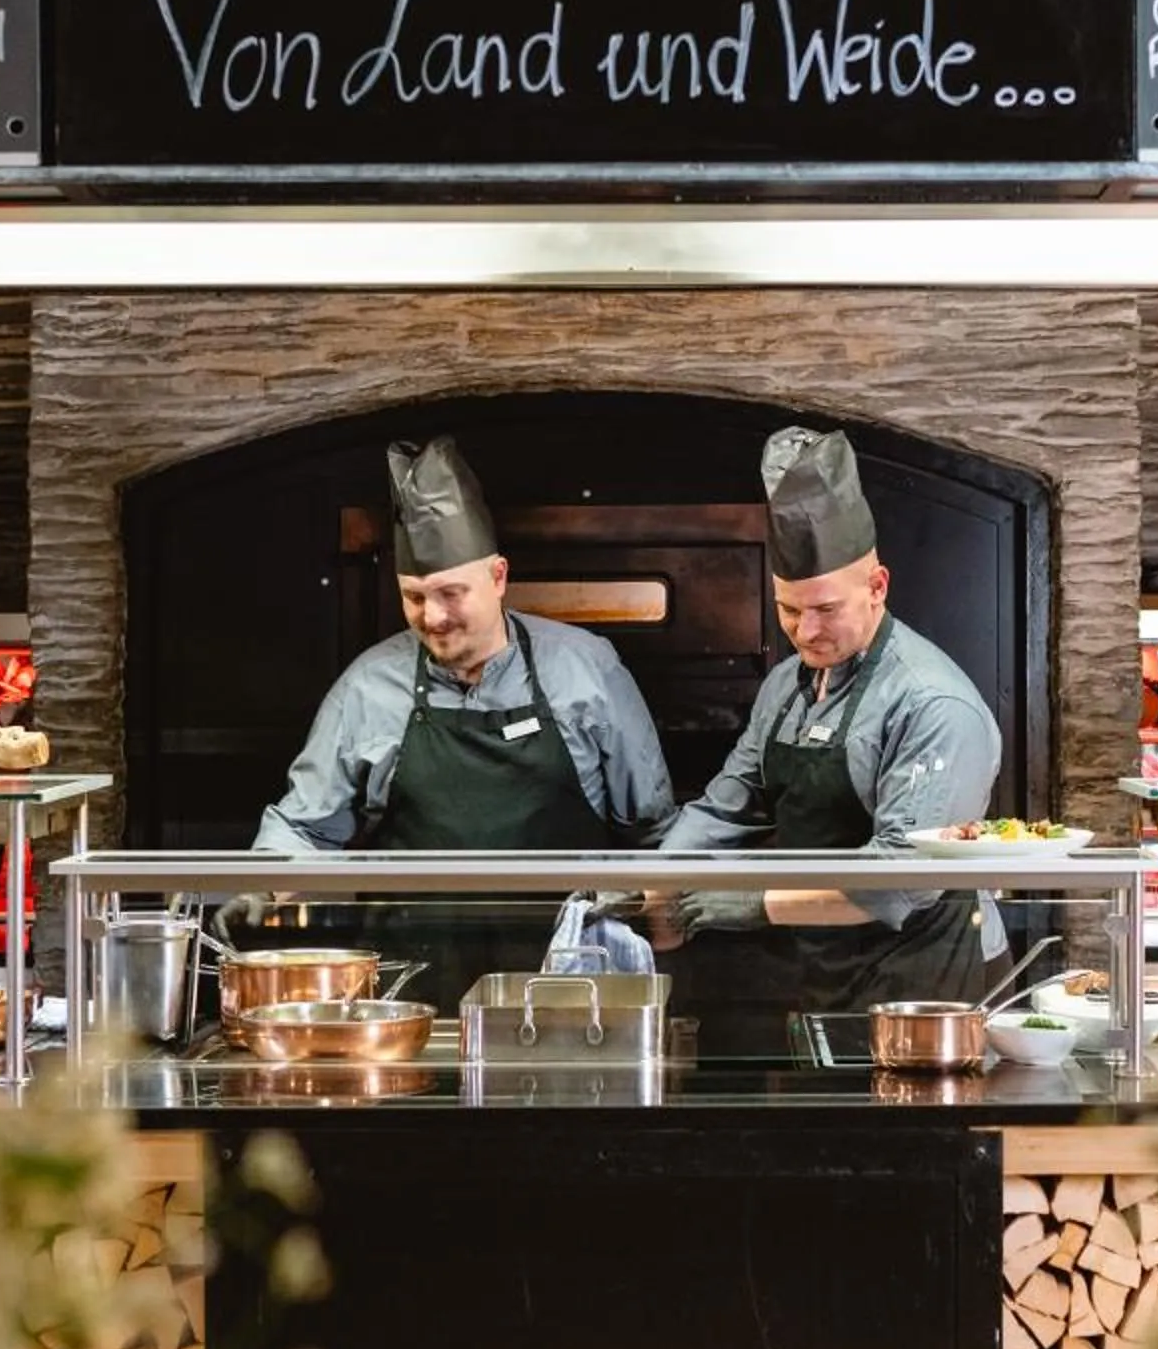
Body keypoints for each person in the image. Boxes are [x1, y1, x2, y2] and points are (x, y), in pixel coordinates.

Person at [241, 435, 675, 1003]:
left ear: (498, 577)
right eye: (414, 597)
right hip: (410, 986)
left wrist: (663, 912)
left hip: (569, 982)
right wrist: (256, 887)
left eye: (451, 593)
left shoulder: (585, 670)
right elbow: (306, 827)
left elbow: (652, 826)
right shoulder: (370, 685)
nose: (434, 617)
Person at [652, 425, 1004, 1040]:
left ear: (877, 588)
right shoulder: (787, 684)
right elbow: (732, 803)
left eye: (826, 610)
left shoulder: (934, 704)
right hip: (823, 964)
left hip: (924, 982)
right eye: (789, 609)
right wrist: (656, 882)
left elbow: (903, 882)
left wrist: (750, 903)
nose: (805, 631)